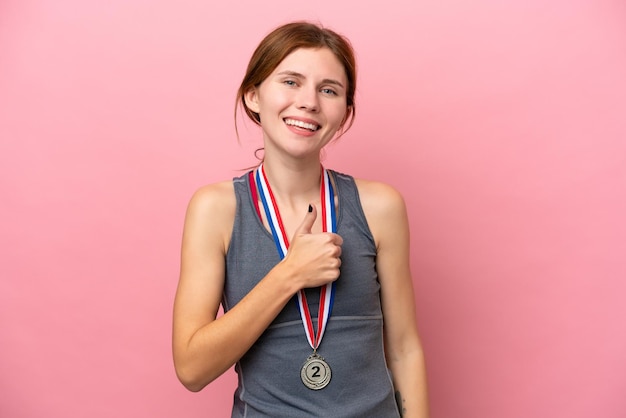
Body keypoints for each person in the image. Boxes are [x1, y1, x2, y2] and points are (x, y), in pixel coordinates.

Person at [172, 21, 429, 417]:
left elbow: (405, 348)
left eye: (329, 90)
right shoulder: (216, 210)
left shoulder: (380, 207)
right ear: (253, 95)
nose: (309, 101)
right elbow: (191, 369)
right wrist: (289, 273)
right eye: (291, 82)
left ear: (345, 112)